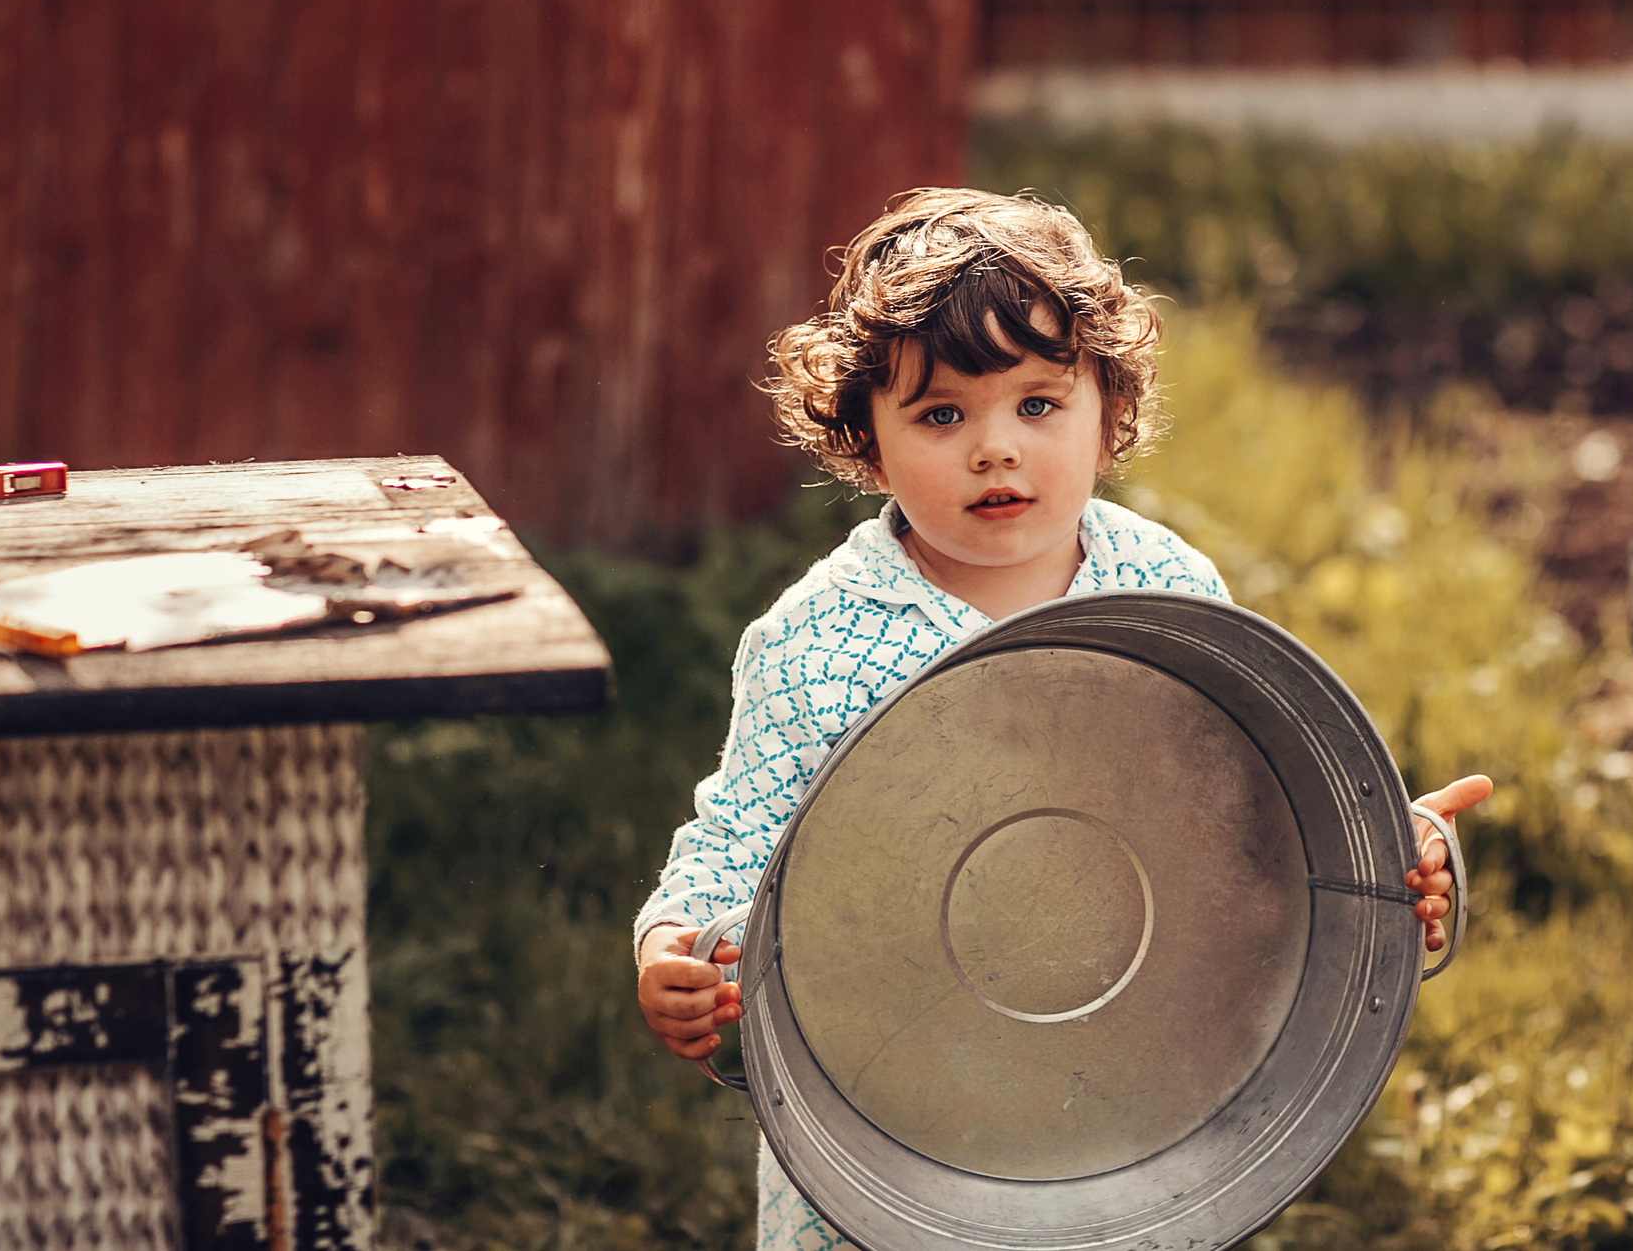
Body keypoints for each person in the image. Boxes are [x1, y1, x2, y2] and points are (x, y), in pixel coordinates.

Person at [633, 187, 1492, 1251]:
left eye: (1038, 404)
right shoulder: (817, 644)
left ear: (1110, 411)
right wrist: (678, 942)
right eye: (942, 415)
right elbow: (734, 841)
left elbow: (1246, 817)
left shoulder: (1166, 586)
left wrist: (1384, 851)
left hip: (1120, 1092)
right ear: (867, 439)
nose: (996, 449)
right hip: (896, 1101)